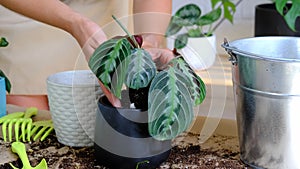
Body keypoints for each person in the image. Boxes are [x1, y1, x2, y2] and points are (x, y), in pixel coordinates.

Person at [0, 0, 174, 110]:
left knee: (113, 114)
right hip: (28, 15)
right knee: (31, 118)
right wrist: (76, 24)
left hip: (109, 15)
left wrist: (149, 40)